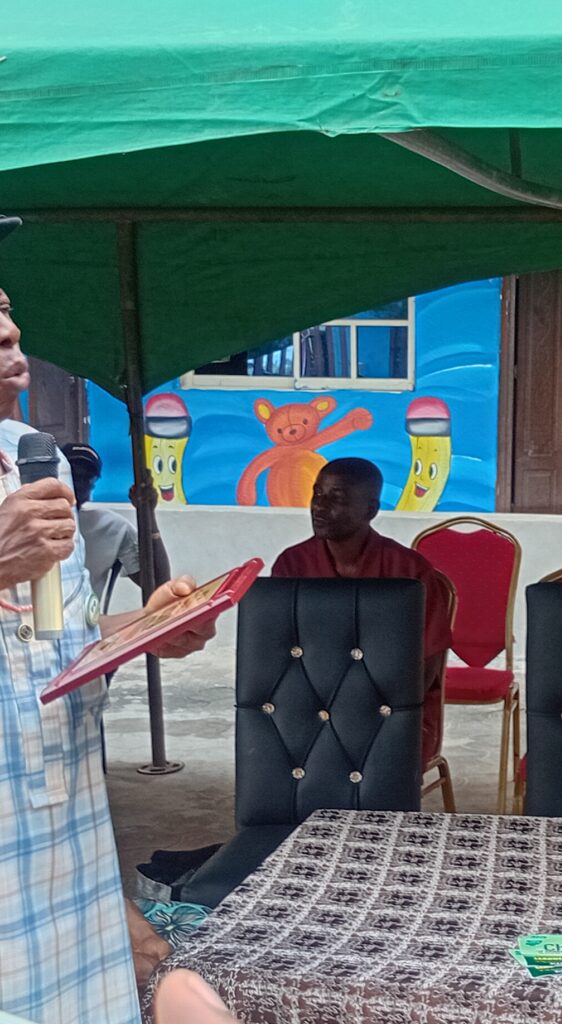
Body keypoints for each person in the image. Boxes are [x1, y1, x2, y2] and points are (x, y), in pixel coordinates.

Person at [0, 217, 216, 1024]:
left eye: (6, 306)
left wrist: (144, 629)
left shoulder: (33, 459)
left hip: (65, 861)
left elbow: (50, 648)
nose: (10, 330)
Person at [272, 457, 453, 767]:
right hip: (312, 707)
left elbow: (427, 665)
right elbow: (278, 652)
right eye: (317, 493)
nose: (319, 506)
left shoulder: (409, 570)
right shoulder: (292, 564)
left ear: (370, 510)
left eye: (336, 498)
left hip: (393, 711)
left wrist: (376, 711)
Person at [62, 441, 171, 603]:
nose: (78, 483)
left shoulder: (110, 527)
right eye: (72, 475)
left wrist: (147, 513)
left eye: (86, 477)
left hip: (85, 618)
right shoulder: (32, 523)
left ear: (93, 484)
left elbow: (159, 585)